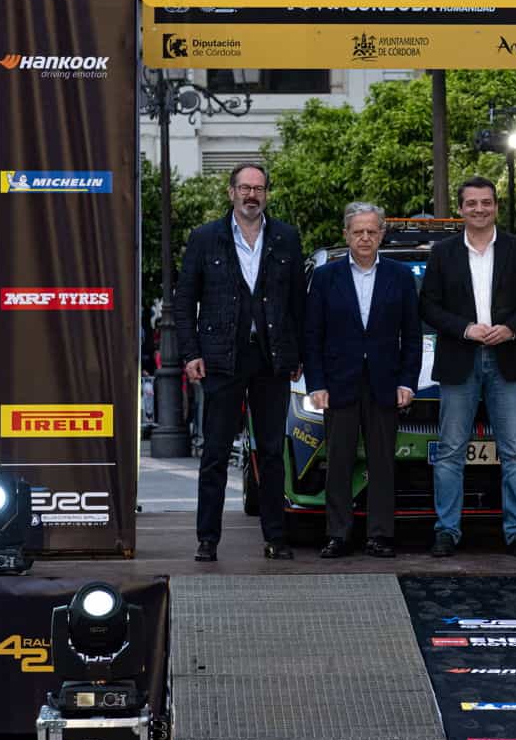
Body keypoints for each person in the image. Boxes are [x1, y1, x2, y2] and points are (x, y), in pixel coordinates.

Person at [175, 162, 306, 562]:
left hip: (272, 359)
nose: (252, 195)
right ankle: (207, 540)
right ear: (231, 192)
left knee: (270, 452)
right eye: (245, 188)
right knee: (215, 451)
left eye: (259, 188)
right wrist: (191, 352)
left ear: (267, 194)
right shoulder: (205, 238)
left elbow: (298, 302)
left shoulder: (285, 237)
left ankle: (276, 537)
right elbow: (184, 302)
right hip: (220, 359)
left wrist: (298, 354)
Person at [420, 177, 516, 557]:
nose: (479, 209)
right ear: (460, 209)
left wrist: (511, 329)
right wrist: (465, 328)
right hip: (460, 357)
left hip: (506, 358)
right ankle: (447, 531)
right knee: (451, 451)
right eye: (471, 203)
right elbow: (427, 306)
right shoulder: (442, 252)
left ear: (495, 206)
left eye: (486, 203)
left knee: (515, 451)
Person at [302, 202, 420, 560]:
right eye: (358, 232)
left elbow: (412, 336)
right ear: (346, 235)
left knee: (383, 462)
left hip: (385, 382)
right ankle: (338, 534)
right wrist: (316, 384)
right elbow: (312, 336)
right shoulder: (325, 278)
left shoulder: (400, 277)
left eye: (372, 231)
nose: (365, 238)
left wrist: (407, 381)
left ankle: (381, 535)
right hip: (339, 384)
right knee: (337, 462)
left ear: (382, 233)